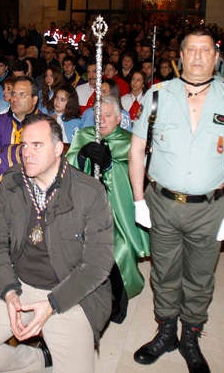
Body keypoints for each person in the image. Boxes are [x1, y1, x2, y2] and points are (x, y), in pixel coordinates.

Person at [128, 29, 224, 370]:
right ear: (180, 57)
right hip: (162, 203)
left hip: (210, 208)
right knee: (165, 272)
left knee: (200, 277)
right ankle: (166, 331)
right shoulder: (158, 95)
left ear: (216, 58)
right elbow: (137, 150)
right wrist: (139, 199)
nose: (199, 56)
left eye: (206, 50)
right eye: (192, 50)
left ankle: (191, 336)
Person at [0, 114, 114, 372]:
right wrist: (9, 291)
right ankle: (35, 360)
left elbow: (98, 265)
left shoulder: (89, 192)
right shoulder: (13, 182)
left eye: (37, 145)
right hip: (20, 285)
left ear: (59, 149)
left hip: (68, 293)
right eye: (23, 145)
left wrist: (51, 305)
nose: (27, 153)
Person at [66, 95, 150, 321]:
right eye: (97, 116)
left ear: (120, 118)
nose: (101, 121)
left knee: (116, 251)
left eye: (107, 116)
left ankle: (116, 301)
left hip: (116, 214)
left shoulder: (130, 141)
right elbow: (66, 172)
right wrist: (82, 157)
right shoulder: (83, 136)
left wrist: (110, 167)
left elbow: (135, 178)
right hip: (83, 212)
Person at [0, 76, 40, 181]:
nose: (15, 99)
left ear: (34, 100)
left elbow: (41, 160)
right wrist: (6, 181)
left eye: (22, 95)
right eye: (13, 94)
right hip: (1, 184)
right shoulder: (0, 121)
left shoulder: (45, 125)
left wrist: (5, 152)